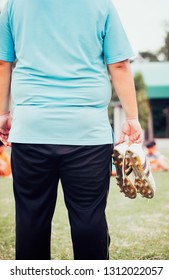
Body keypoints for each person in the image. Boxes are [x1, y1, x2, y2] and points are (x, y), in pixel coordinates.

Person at [0, 0, 143, 260]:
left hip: (31, 129)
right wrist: (131, 117)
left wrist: (3, 113)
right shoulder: (101, 5)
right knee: (89, 216)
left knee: (31, 218)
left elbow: (2, 63)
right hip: (88, 133)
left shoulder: (13, 5)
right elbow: (119, 65)